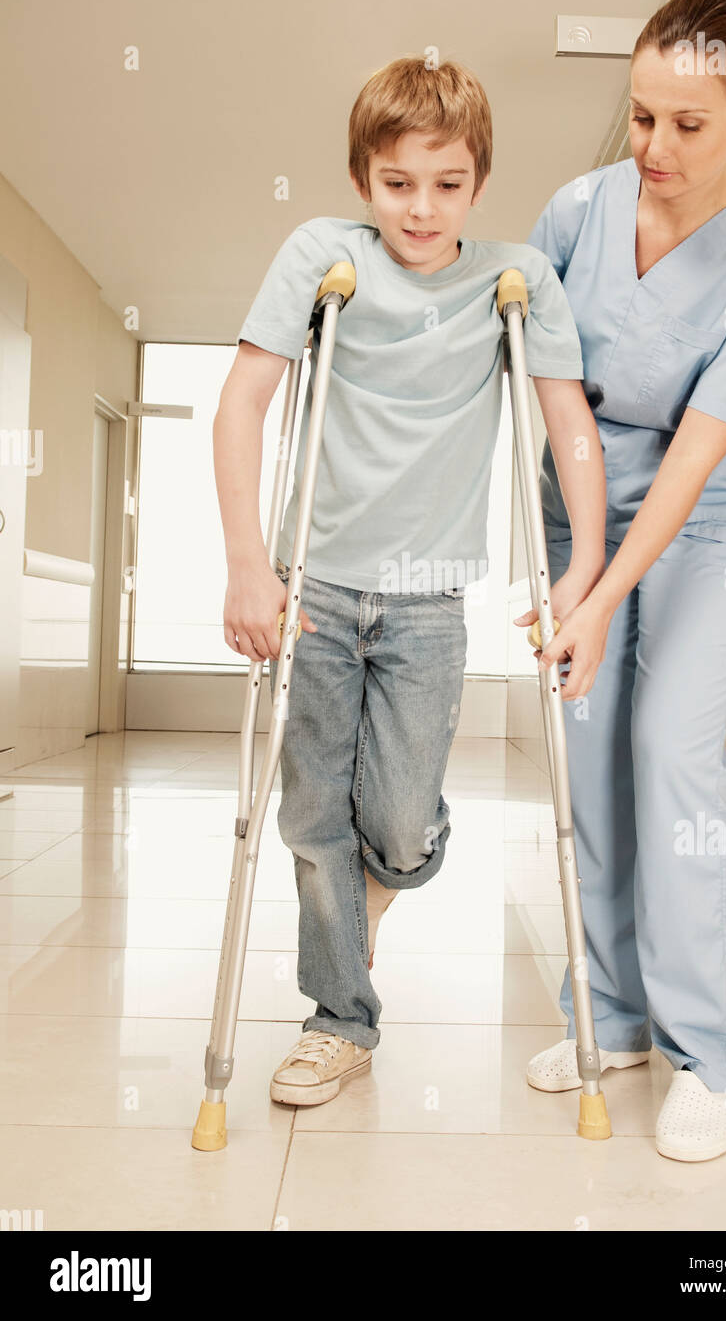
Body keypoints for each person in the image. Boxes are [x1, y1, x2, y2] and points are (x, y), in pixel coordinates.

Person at [213, 56, 603, 1107]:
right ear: (361, 177)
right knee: (307, 817)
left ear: (478, 182)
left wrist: (585, 571)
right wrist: (249, 562)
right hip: (321, 586)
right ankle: (339, 1017)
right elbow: (244, 402)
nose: (420, 208)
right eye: (395, 182)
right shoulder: (321, 255)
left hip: (429, 600)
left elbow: (567, 426)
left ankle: (377, 886)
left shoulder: (512, 278)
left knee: (391, 821)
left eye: (445, 183)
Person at [515, 0, 726, 1162]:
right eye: (640, 116)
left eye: (687, 125)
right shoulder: (575, 212)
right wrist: (581, 572)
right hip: (579, 512)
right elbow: (548, 393)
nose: (654, 148)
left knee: (669, 750)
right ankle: (617, 1014)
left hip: (705, 525)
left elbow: (695, 457)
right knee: (590, 763)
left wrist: (604, 586)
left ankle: (707, 1053)